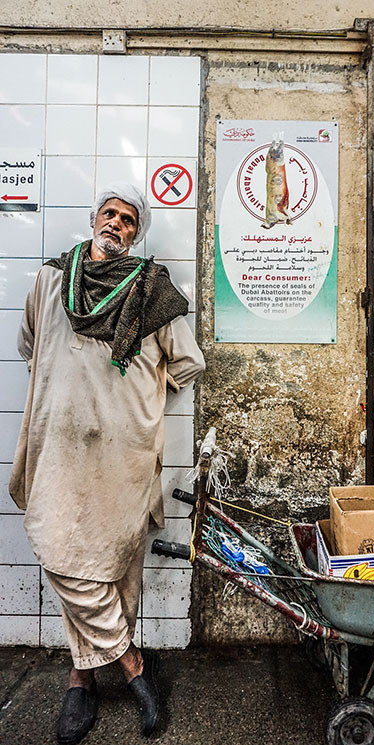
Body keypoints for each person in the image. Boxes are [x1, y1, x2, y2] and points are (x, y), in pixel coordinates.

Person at [9, 183, 205, 744]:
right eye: (109, 213)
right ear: (93, 217)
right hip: (59, 451)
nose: (116, 222)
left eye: (127, 219)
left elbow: (186, 364)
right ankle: (132, 666)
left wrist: (132, 401)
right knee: (63, 550)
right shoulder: (51, 280)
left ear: (136, 233)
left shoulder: (151, 289)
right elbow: (31, 345)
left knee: (117, 564)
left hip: (124, 455)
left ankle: (79, 680)